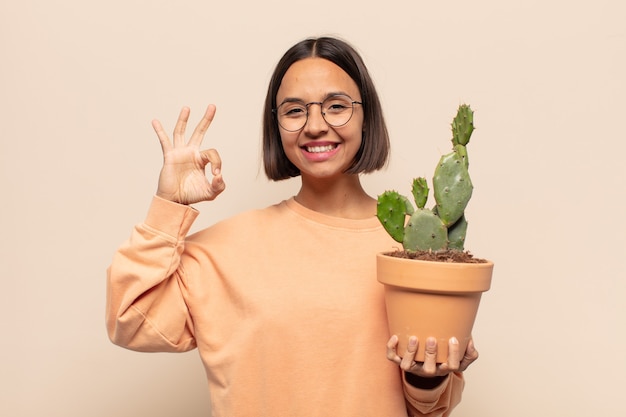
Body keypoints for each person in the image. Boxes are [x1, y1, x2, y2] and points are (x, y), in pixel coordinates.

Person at [106, 36, 479, 417]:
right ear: (276, 125)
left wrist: (428, 378)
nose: (315, 125)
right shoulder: (224, 249)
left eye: (337, 106)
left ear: (367, 118)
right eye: (294, 110)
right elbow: (129, 321)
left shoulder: (421, 247)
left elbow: (430, 409)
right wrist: (169, 205)